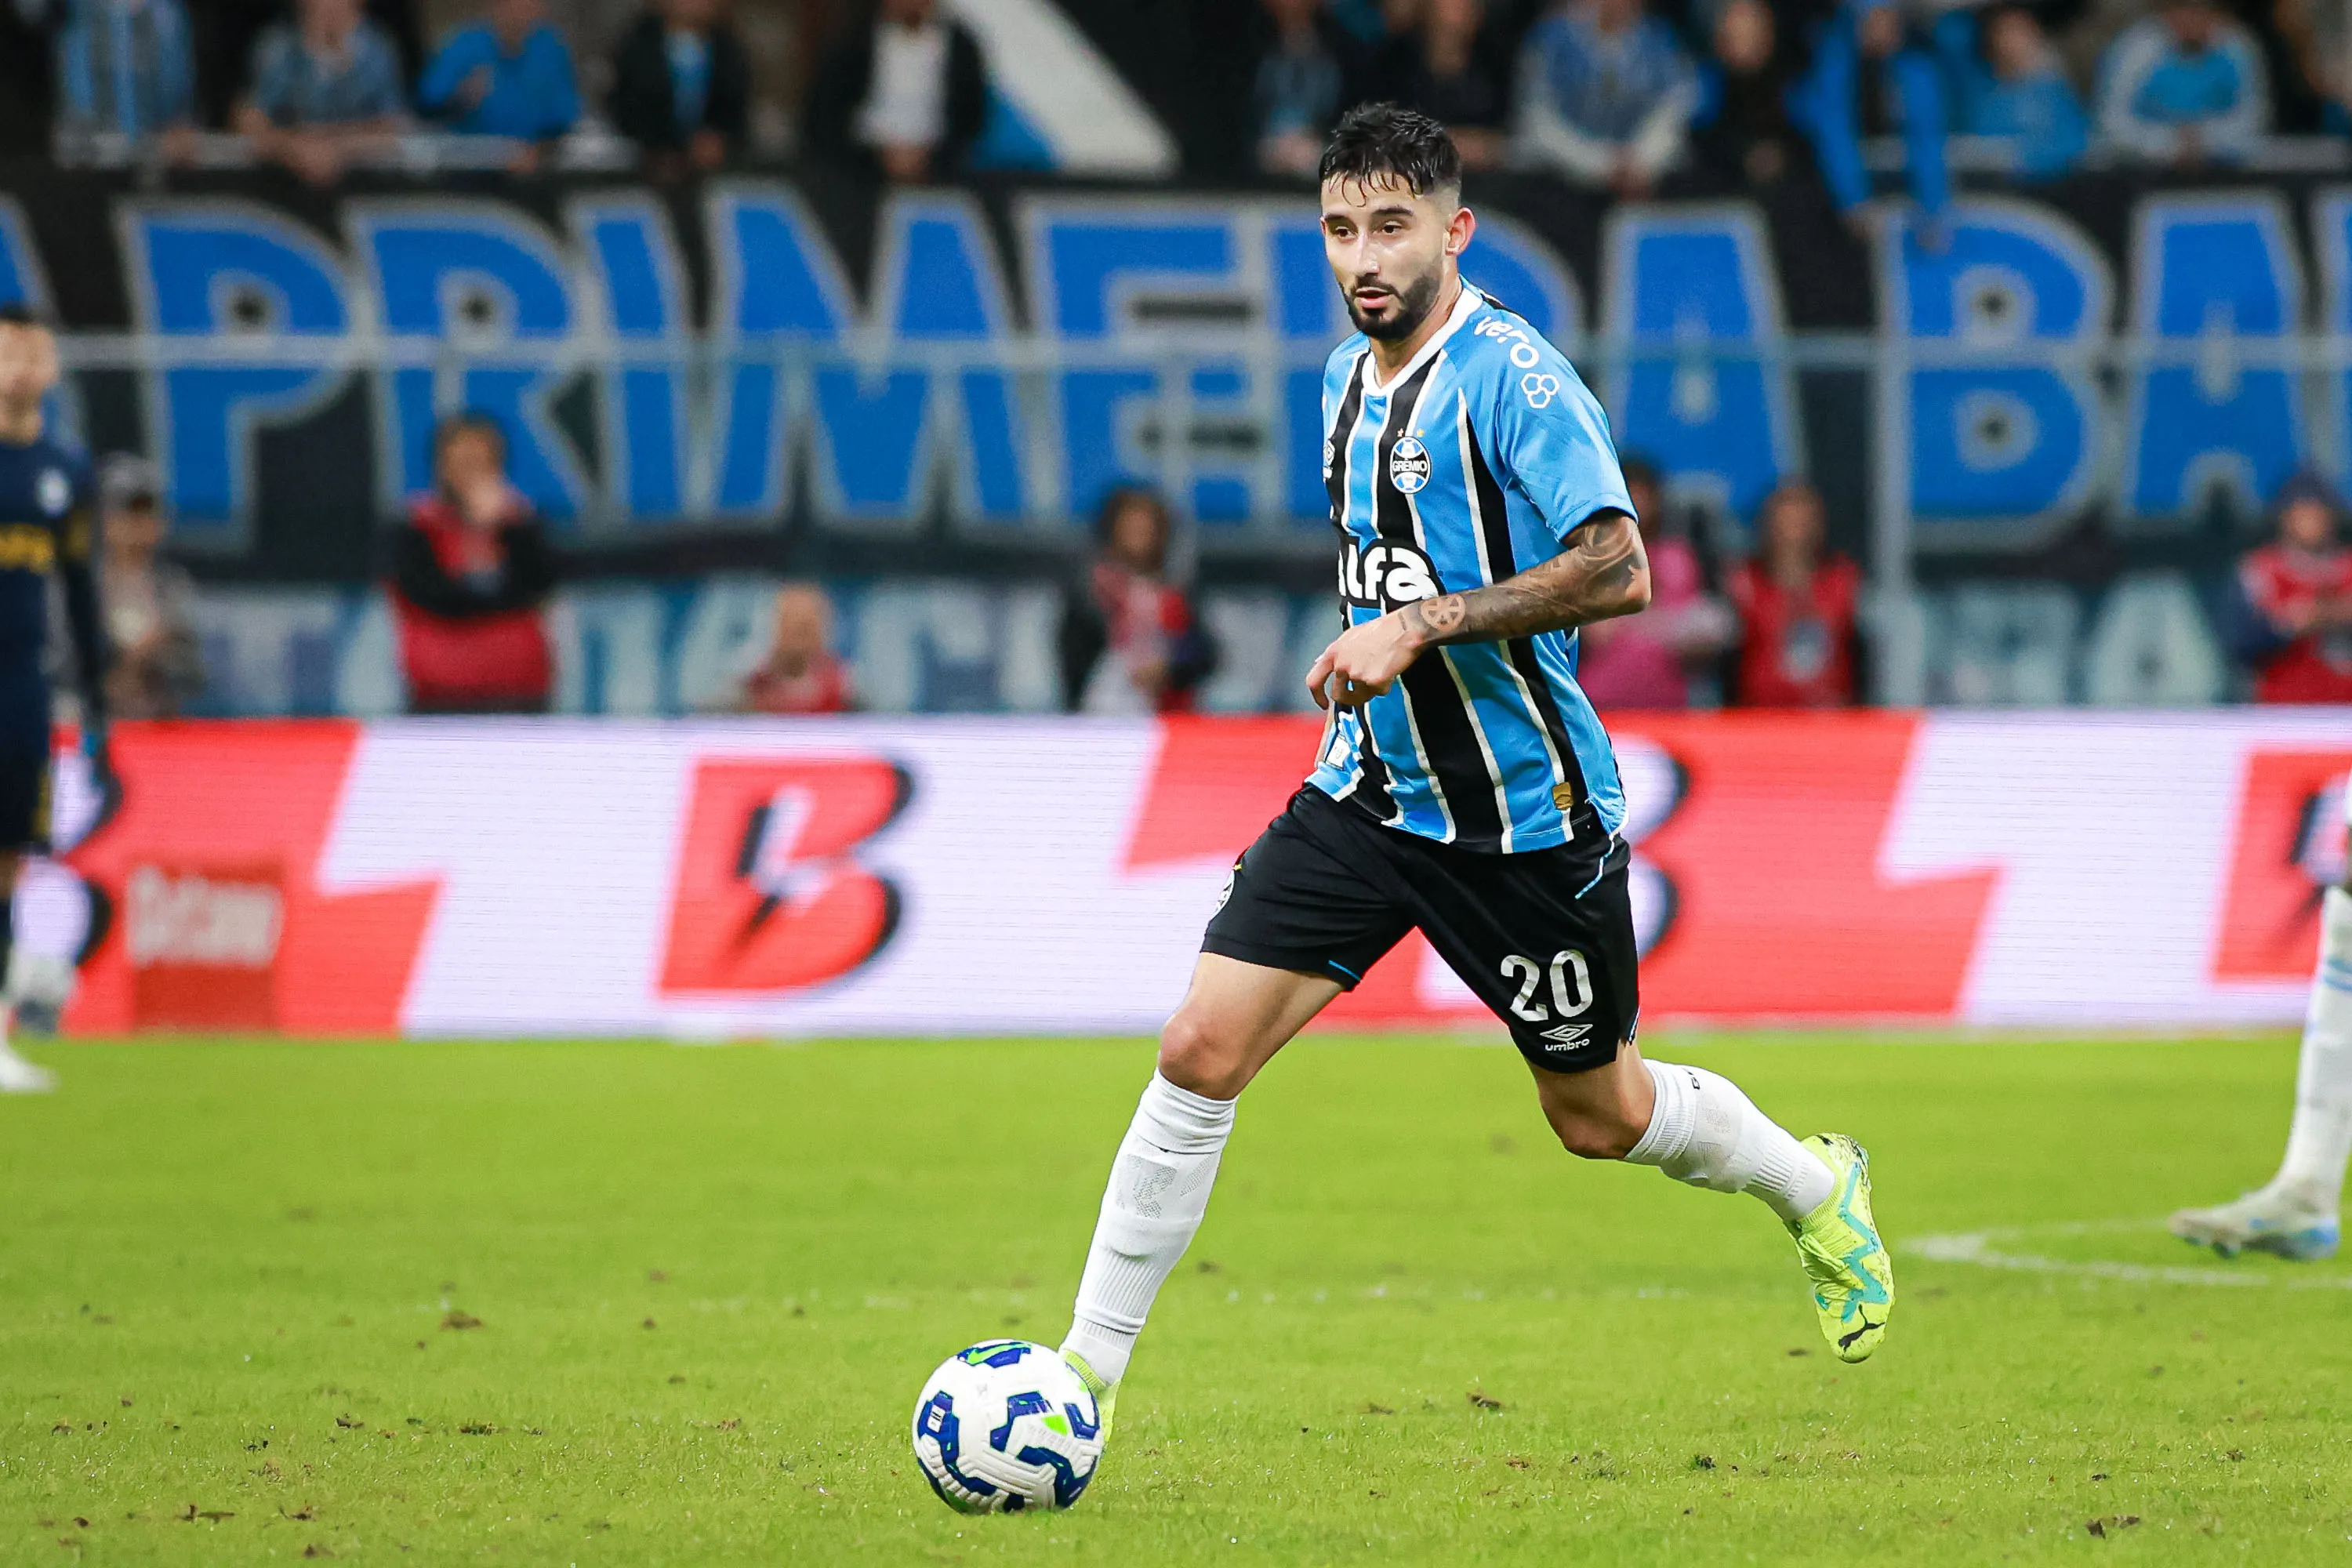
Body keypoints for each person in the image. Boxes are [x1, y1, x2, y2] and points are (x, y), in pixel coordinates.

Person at [1051, 105, 1893, 1440]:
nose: (1363, 255)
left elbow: (1616, 566)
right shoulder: (1341, 378)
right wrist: (1371, 648)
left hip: (1523, 821)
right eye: (1339, 228)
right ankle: (1079, 1385)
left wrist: (1421, 624)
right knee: (1199, 1048)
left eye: (1391, 226)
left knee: (1599, 1115)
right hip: (1369, 795)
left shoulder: (1518, 378)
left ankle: (1811, 1183)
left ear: (1456, 229)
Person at [0, 304, 111, 1094]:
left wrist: (97, 697)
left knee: (8, 859)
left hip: (21, 685)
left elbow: (80, 588)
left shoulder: (65, 471)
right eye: (9, 348)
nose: (25, 362)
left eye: (36, 348)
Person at [390, 412, 557, 717]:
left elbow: (538, 584)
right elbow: (432, 596)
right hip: (440, 693)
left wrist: (507, 529)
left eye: (482, 461)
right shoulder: (416, 526)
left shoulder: (519, 523)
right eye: (462, 461)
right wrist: (489, 592)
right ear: (441, 465)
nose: (472, 473)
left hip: (520, 692)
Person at [1572, 456, 1734, 709]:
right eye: (1627, 496)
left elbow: (1702, 634)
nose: (1636, 508)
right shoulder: (1586, 559)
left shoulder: (1678, 557)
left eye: (1643, 496)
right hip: (1600, 703)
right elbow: (1594, 634)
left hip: (1667, 705)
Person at [1056, 487, 1218, 715]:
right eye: (1132, 528)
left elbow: (1203, 654)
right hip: (1103, 714)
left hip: (1167, 714)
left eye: (1148, 528)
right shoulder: (1091, 592)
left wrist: (1169, 669)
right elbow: (1074, 659)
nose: (1141, 535)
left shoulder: (1176, 592)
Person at [1513, 0, 1698, 196]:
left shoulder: (1661, 40)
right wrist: (1600, 164)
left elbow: (1674, 111)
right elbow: (1536, 120)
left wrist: (1641, 161)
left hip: (1641, 178)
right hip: (1557, 177)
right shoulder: (1551, 39)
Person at [801, 0, 989, 185]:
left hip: (939, 169)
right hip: (860, 171)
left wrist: (928, 155)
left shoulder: (961, 47)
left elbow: (971, 114)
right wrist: (877, 154)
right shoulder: (853, 43)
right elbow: (827, 109)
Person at [232, 0, 408, 187]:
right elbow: (249, 121)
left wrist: (337, 148)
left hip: (364, 187)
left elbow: (393, 124)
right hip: (283, 184)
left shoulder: (378, 51)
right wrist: (294, 148)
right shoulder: (278, 49)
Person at [1726, 479, 1863, 706]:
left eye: (1802, 520)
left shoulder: (1843, 580)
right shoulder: (1742, 582)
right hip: (1758, 717)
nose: (1793, 529)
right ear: (1767, 525)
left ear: (1819, 525)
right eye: (1785, 520)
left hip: (1830, 715)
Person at [2225, 470, 2352, 704]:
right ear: (2285, 517)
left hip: (2345, 711)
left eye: (2319, 511)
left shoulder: (2348, 568)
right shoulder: (2261, 570)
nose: (2313, 520)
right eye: (2303, 511)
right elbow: (2239, 644)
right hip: (2284, 715)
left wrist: (2338, 614)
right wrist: (2288, 624)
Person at [2095, 0, 2270, 165]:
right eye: (2183, 10)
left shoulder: (2237, 47)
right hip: (2145, 163)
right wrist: (2167, 143)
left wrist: (2205, 140)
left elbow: (2255, 115)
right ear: (2167, 12)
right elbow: (2110, 120)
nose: (2191, 19)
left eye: (2200, 11)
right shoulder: (2136, 48)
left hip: (2222, 162)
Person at [96, 455, 202, 721]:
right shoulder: (82, 587)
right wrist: (120, 666)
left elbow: (194, 674)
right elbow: (58, 663)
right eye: (129, 512)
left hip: (158, 729)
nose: (138, 524)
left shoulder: (173, 587)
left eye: (146, 512)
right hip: (91, 725)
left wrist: (153, 655)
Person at [415, 0, 579, 172]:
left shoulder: (550, 49)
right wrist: (461, 97)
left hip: (533, 169)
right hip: (468, 169)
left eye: (528, 6)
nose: (519, 14)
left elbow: (565, 117)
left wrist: (538, 152)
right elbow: (426, 105)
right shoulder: (464, 45)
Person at [608, 0, 751, 178]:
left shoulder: (729, 51)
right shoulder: (636, 46)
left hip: (712, 168)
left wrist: (717, 139)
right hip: (645, 166)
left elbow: (735, 108)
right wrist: (658, 149)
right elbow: (626, 105)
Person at [51, 0, 199, 162]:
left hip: (156, 155)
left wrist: (178, 128)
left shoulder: (168, 16)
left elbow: (178, 99)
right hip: (89, 154)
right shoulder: (79, 13)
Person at [1952, 5, 2089, 179]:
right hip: (1991, 191)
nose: (2018, 42)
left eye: (2023, 33)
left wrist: (2024, 157)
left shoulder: (2053, 93)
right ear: (1991, 39)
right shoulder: (1977, 94)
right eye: (2008, 33)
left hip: (2048, 192)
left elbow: (2076, 143)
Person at [1376, 0, 1514, 169]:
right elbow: (1380, 132)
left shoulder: (1495, 63)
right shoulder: (1393, 61)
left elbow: (1509, 138)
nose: (1460, 7)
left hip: (1487, 181)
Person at [1689, 0, 1810, 190]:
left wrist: (1780, 156)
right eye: (1732, 32)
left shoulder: (1797, 87)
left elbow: (1813, 139)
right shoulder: (1705, 90)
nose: (1742, 37)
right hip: (1725, 196)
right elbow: (1701, 140)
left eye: (1751, 27)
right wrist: (1742, 156)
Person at [1253, 0, 1365, 178]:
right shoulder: (1247, 45)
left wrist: (1326, 147)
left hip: (1327, 169)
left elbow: (1358, 115)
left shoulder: (1345, 48)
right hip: (1248, 177)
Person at [734, 583, 855, 715]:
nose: (797, 633)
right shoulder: (751, 689)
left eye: (806, 626)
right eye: (790, 623)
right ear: (775, 626)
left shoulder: (845, 690)